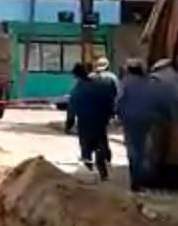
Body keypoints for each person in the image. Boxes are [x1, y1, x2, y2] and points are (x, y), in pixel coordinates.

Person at [115, 58, 170, 191]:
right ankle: (142, 178)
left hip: (130, 120)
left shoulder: (124, 83)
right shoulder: (151, 83)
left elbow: (118, 101)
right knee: (143, 149)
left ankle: (136, 179)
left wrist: (118, 116)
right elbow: (160, 101)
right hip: (149, 120)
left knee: (133, 150)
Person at [65, 62, 116, 181]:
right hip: (100, 121)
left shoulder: (77, 90)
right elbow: (110, 101)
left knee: (86, 148)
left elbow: (71, 110)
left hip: (85, 123)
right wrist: (109, 116)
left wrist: (69, 125)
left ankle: (89, 173)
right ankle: (104, 172)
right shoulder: (102, 85)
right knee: (101, 144)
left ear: (76, 76)